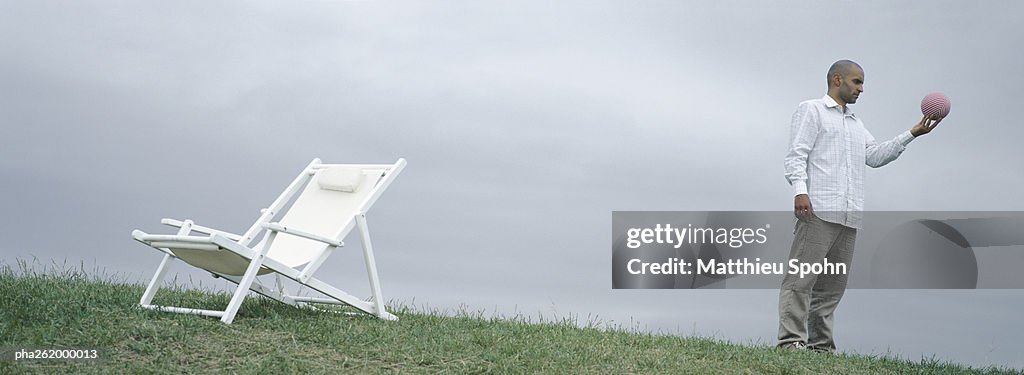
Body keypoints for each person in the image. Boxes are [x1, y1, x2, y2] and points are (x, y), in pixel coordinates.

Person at [779, 59, 942, 352]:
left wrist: (913, 133)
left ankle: (821, 347)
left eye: (862, 83)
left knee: (831, 288)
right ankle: (791, 342)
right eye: (857, 82)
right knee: (801, 280)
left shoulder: (856, 124)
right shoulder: (811, 110)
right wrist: (800, 191)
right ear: (837, 79)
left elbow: (876, 156)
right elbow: (796, 155)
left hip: (849, 216)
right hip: (817, 211)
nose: (862, 89)